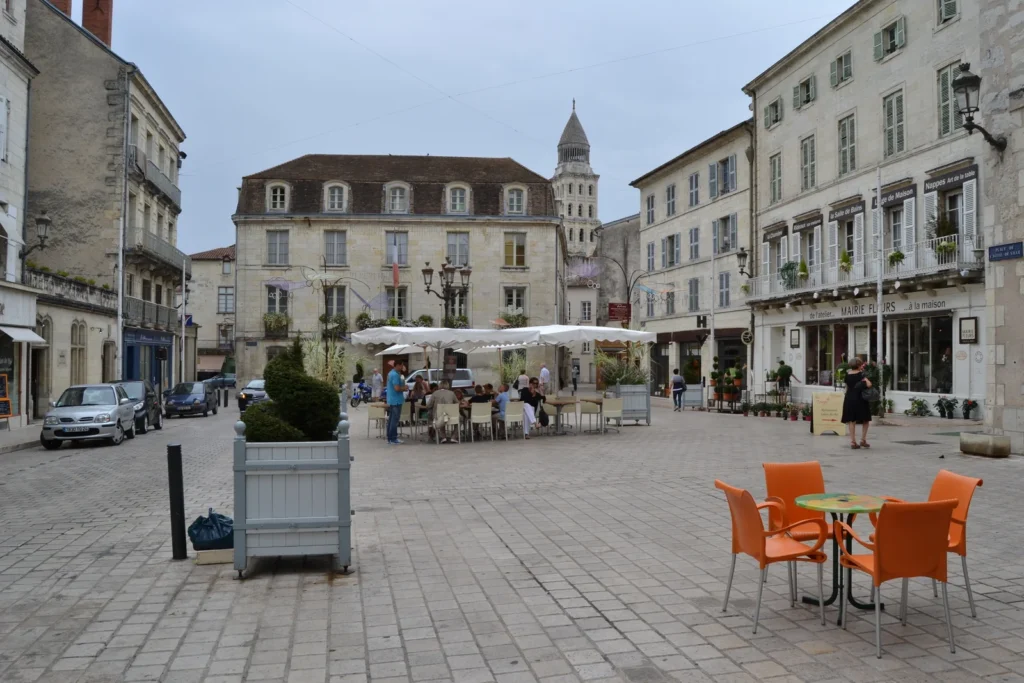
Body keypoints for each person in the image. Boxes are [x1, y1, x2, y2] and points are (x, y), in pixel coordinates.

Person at [842, 357, 873, 449]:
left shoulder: (847, 375)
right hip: (860, 399)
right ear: (859, 365)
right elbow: (869, 384)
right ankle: (863, 440)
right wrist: (865, 378)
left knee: (852, 420)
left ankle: (853, 441)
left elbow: (847, 387)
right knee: (865, 419)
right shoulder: (861, 375)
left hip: (849, 398)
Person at [385, 361, 407, 445]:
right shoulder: (394, 375)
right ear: (398, 365)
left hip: (392, 399)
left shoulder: (392, 373)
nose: (402, 367)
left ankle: (390, 437)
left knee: (391, 419)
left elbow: (401, 381)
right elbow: (397, 388)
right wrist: (404, 388)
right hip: (396, 400)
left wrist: (402, 373)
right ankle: (393, 438)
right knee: (394, 420)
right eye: (401, 365)